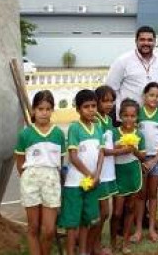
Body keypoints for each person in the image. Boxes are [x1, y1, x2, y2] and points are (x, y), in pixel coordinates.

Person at [15, 90, 65, 255]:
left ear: (52, 110)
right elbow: (20, 162)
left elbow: (61, 162)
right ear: (33, 111)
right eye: (40, 109)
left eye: (48, 109)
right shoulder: (25, 134)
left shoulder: (58, 134)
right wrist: (28, 179)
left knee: (49, 230)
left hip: (51, 181)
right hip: (30, 181)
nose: (44, 113)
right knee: (34, 227)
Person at [59, 90, 105, 255]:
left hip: (92, 183)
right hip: (75, 183)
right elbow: (73, 157)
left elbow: (101, 153)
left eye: (93, 106)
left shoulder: (98, 128)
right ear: (78, 109)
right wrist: (89, 174)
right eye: (86, 107)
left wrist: (97, 174)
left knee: (87, 220)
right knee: (73, 223)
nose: (91, 109)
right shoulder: (74, 128)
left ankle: (83, 251)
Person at [105, 26, 158, 114]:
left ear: (154, 42)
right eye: (142, 39)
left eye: (150, 40)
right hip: (127, 119)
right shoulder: (123, 61)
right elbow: (110, 89)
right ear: (136, 41)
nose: (146, 43)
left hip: (152, 117)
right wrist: (121, 109)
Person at [137, 82, 158, 243]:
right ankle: (137, 230)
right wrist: (142, 159)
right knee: (140, 195)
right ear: (144, 96)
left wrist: (155, 160)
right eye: (151, 95)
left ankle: (151, 229)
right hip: (141, 160)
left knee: (153, 194)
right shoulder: (138, 113)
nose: (154, 98)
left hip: (157, 159)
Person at [113, 99, 146, 254]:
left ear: (137, 117)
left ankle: (125, 241)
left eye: (133, 116)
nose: (129, 119)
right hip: (118, 174)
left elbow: (143, 157)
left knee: (130, 208)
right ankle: (113, 241)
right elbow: (106, 152)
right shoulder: (113, 133)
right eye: (125, 115)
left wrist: (134, 150)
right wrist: (117, 147)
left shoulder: (139, 134)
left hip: (133, 174)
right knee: (117, 212)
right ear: (120, 116)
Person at [89, 85, 119, 255]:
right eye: (105, 101)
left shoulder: (108, 119)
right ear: (97, 101)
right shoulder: (96, 120)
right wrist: (121, 150)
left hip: (109, 171)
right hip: (98, 170)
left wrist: (118, 146)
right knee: (103, 212)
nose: (109, 104)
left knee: (103, 213)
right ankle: (94, 245)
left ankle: (95, 244)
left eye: (111, 101)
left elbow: (109, 144)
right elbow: (101, 149)